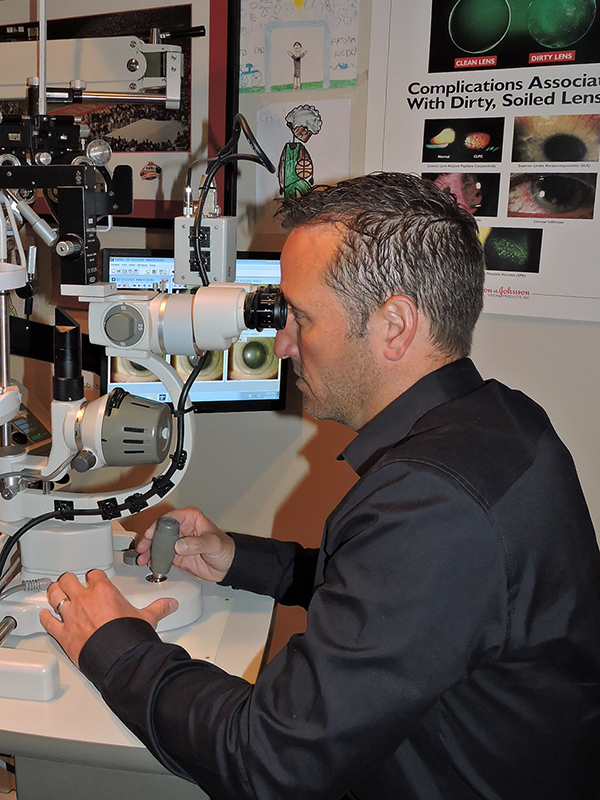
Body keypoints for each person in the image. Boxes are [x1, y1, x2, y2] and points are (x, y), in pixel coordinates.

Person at [41, 173, 600, 800]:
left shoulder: (434, 504)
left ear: (394, 326)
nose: (282, 344)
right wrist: (241, 560)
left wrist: (113, 644)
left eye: (301, 318)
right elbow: (406, 603)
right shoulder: (504, 422)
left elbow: (270, 760)